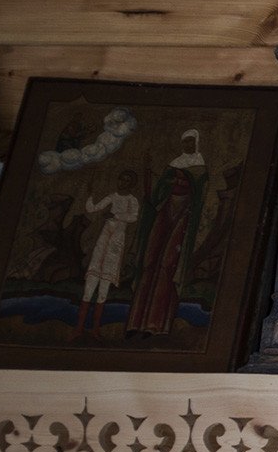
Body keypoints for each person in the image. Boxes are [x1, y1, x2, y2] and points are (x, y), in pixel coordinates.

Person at [126, 130, 209, 338]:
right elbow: (157, 193)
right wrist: (160, 182)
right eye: (185, 141)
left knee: (168, 265)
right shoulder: (174, 164)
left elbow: (199, 194)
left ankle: (156, 324)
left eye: (191, 141)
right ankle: (136, 323)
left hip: (183, 216)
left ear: (196, 142)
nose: (188, 144)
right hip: (165, 211)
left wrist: (181, 183)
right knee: (150, 261)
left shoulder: (200, 167)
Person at [74, 170, 142, 339]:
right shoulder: (112, 196)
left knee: (104, 289)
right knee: (90, 286)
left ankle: (95, 330)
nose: (123, 183)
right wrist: (90, 194)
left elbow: (134, 217)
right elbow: (92, 208)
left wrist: (115, 215)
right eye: (121, 179)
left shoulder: (132, 200)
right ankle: (79, 329)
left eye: (127, 180)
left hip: (116, 244)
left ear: (131, 184)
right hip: (104, 240)